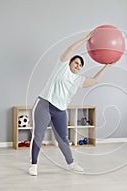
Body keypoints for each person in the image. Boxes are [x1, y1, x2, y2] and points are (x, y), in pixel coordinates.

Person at [29, 31, 114, 176]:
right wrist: (86, 39)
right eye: (76, 62)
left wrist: (106, 67)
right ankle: (34, 165)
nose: (78, 66)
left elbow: (94, 81)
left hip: (60, 110)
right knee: (38, 135)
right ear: (69, 62)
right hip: (44, 104)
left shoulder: (78, 80)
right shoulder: (61, 67)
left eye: (80, 65)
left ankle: (71, 164)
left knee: (63, 139)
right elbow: (70, 49)